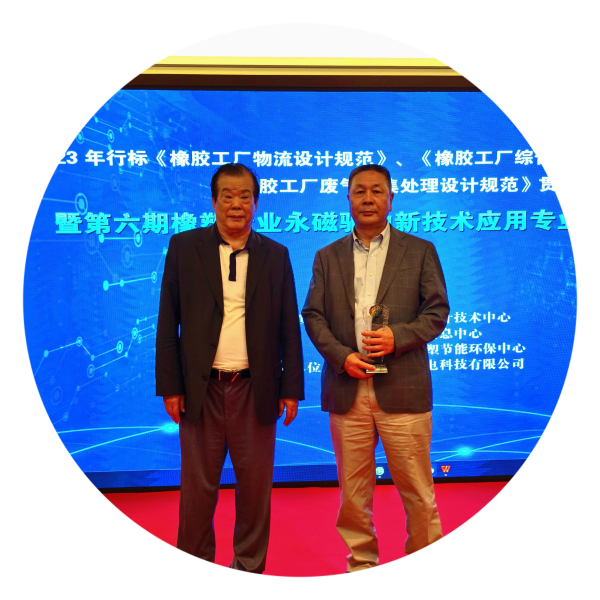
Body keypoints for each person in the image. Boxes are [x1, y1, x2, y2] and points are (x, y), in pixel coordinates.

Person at [156, 163, 304, 573]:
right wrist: (171, 386)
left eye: (245, 196)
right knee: (197, 494)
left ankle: (248, 571)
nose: (236, 204)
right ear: (214, 201)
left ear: (256, 203)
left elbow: (288, 326)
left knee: (255, 493)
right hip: (200, 391)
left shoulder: (275, 255)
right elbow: (168, 320)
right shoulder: (185, 247)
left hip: (256, 390)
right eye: (228, 196)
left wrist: (290, 388)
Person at [302, 164, 449, 572]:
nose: (368, 198)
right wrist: (341, 357)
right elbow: (313, 315)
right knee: (353, 497)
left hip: (403, 390)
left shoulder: (419, 250)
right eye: (360, 191)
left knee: (418, 492)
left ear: (390, 199)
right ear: (348, 198)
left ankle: (424, 571)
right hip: (347, 389)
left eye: (377, 191)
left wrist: (396, 338)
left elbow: (436, 312)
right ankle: (362, 568)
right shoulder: (327, 256)